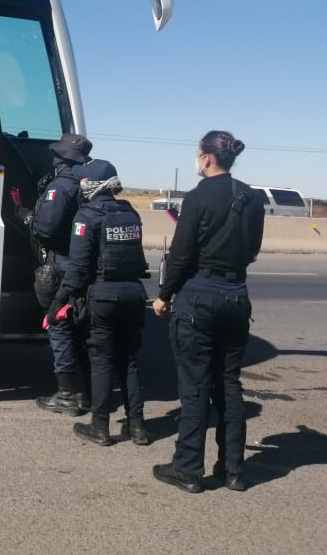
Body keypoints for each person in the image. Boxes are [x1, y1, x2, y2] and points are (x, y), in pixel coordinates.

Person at [152, 131, 265, 493]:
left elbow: (182, 253)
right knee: (229, 385)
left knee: (195, 386)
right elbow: (252, 249)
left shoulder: (198, 197)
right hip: (235, 297)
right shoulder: (251, 196)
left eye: (197, 155)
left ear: (206, 159)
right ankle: (232, 470)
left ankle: (187, 468)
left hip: (199, 296)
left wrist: (164, 295)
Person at [46, 159, 151, 447]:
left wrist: (57, 304)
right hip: (133, 293)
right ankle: (138, 427)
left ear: (92, 185)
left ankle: (100, 426)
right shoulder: (130, 213)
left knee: (102, 361)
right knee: (128, 361)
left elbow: (78, 269)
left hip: (103, 296)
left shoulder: (86, 216)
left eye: (83, 181)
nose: (80, 184)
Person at [31, 132, 93, 416]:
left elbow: (46, 228)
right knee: (83, 329)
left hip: (63, 264)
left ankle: (67, 394)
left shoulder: (61, 187)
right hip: (85, 263)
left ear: (59, 158)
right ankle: (90, 393)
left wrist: (27, 218)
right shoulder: (89, 185)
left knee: (60, 325)